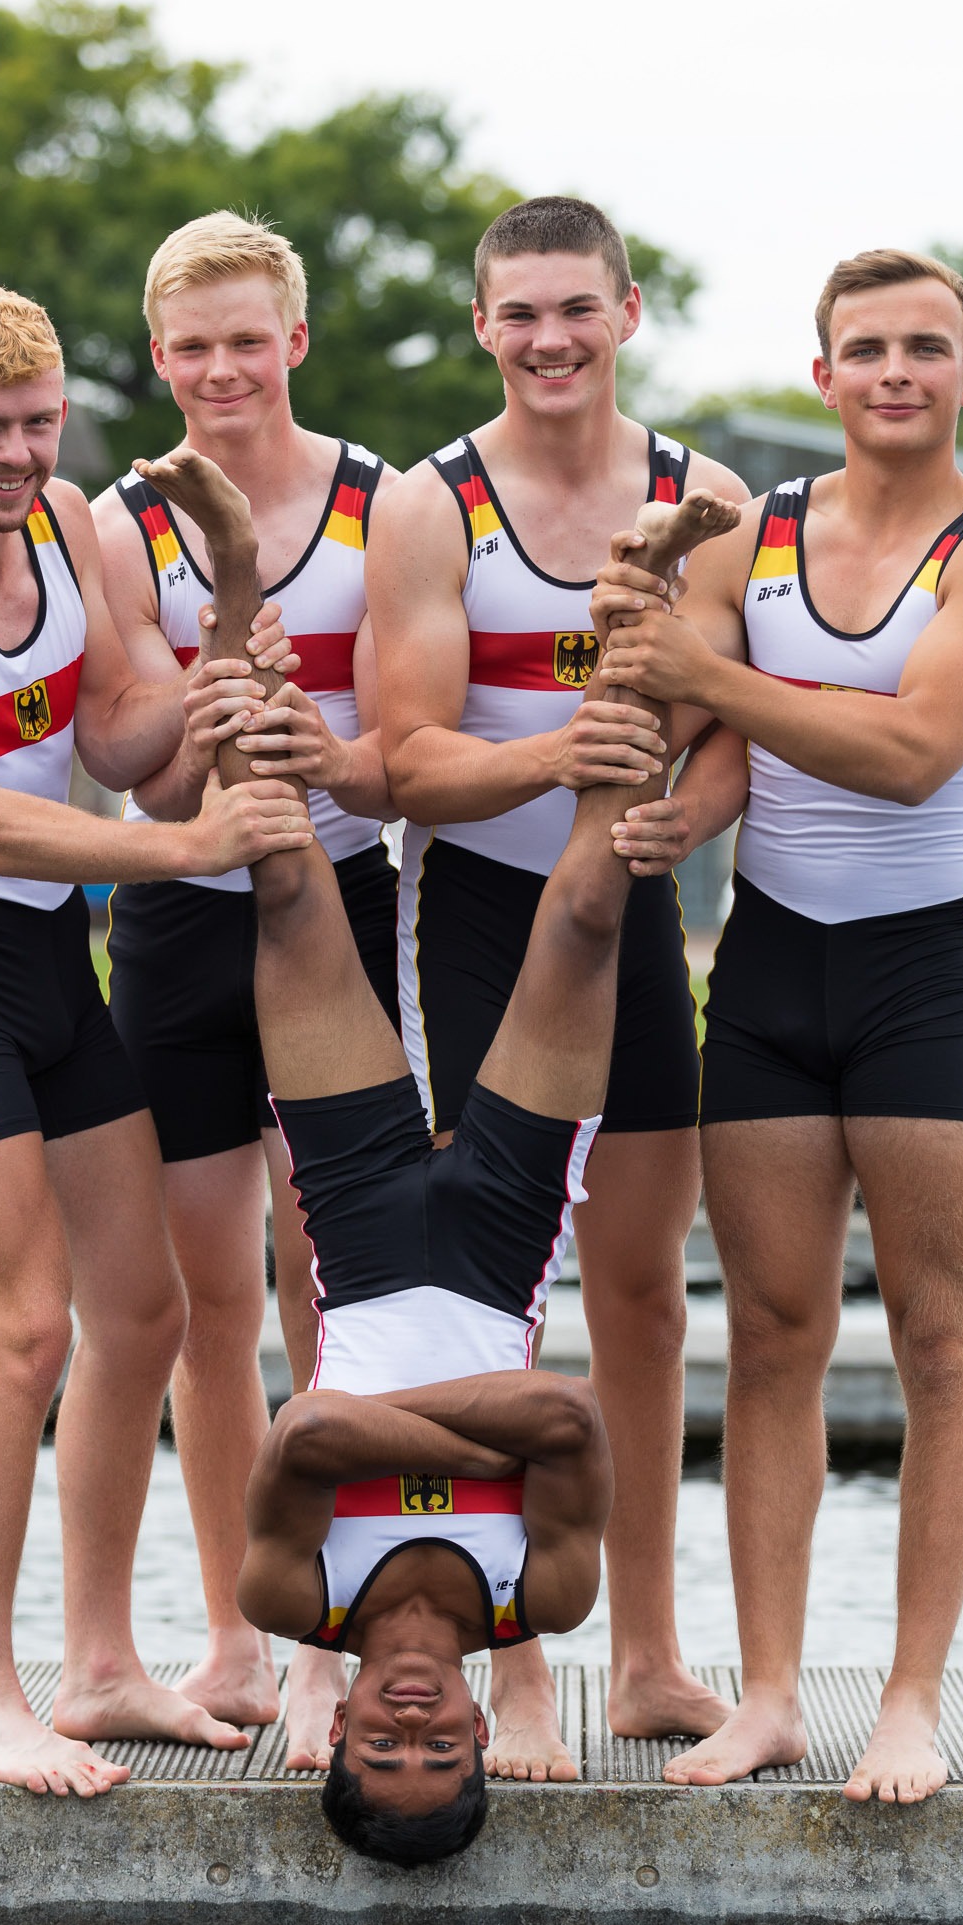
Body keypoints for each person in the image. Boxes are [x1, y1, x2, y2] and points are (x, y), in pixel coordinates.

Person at [149, 446, 734, 1857]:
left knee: (283, 877)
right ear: (480, 1734)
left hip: (353, 1236)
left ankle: (233, 570)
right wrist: (478, 1429)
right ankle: (642, 580)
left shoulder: (305, 1603)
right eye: (435, 1748)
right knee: (591, 912)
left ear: (337, 1731)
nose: (410, 1721)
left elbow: (310, 1428)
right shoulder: (546, 1597)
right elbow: (580, 1419)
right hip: (499, 1237)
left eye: (385, 1746)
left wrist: (458, 1433)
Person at [0, 283, 312, 1798]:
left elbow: (118, 739)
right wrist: (196, 847)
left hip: (54, 974)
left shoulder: (67, 527)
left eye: (37, 424)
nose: (16, 455)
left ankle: (100, 1670)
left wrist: (224, 630)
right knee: (23, 1334)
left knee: (141, 1320)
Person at [595, 247, 963, 1803]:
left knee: (942, 1340)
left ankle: (913, 1700)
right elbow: (707, 734)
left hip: (925, 979)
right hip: (774, 981)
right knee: (777, 1339)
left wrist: (706, 664)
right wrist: (674, 786)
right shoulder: (760, 533)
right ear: (825, 375)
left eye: (927, 348)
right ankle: (774, 1693)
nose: (896, 373)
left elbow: (919, 751)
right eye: (866, 348)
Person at [366, 195, 750, 1780]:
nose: (549, 341)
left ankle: (651, 1659)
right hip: (479, 920)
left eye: (574, 310)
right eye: (519, 314)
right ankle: (515, 1672)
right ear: (482, 326)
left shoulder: (706, 497)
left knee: (645, 1299)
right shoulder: (427, 503)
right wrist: (567, 753)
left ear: (628, 311)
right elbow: (406, 756)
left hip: (638, 916)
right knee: (486, 1311)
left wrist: (682, 812)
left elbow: (735, 727)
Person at [91, 212, 397, 1764]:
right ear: (161, 359)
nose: (221, 367)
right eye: (191, 344)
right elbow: (145, 794)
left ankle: (336, 1639)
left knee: (331, 1290)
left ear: (295, 341)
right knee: (211, 1301)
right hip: (179, 922)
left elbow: (404, 734)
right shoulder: (114, 516)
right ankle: (232, 1634)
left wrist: (308, 719)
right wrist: (218, 661)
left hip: (338, 907)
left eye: (247, 337)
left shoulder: (383, 501)